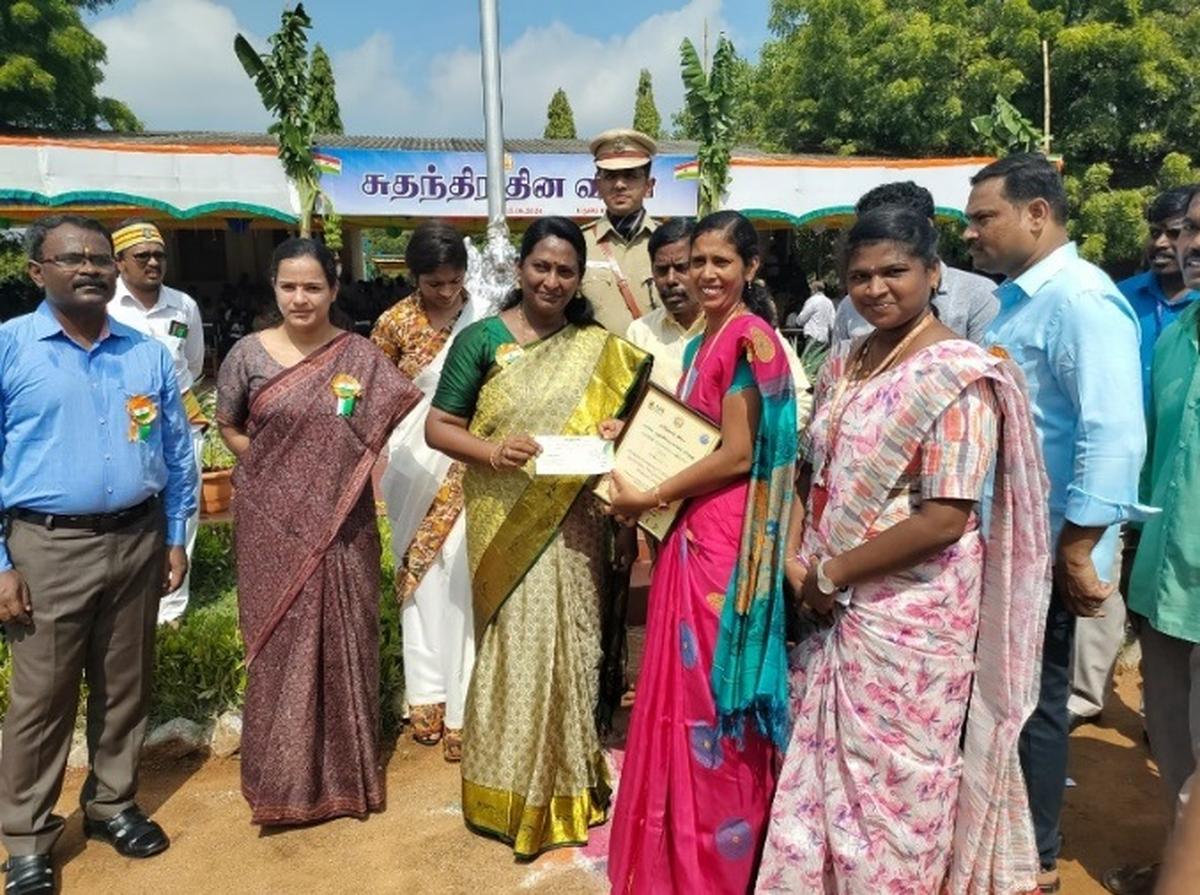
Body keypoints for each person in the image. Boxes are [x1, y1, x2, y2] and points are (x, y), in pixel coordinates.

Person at [757, 205, 1051, 893]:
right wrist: (796, 560)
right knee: (825, 775)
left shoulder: (959, 375)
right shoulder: (849, 358)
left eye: (895, 271)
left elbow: (945, 517)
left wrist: (829, 571)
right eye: (860, 276)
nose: (876, 287)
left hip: (911, 616)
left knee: (898, 791)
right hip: (833, 605)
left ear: (934, 271)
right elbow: (813, 466)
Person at [424, 216, 648, 858]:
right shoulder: (482, 340)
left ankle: (572, 786)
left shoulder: (599, 347)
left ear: (580, 278)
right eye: (541, 267)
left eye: (565, 270)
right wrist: (493, 450)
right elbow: (441, 427)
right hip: (507, 523)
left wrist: (611, 432)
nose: (552, 280)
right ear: (521, 268)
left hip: (575, 521)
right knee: (516, 650)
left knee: (573, 647)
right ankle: (509, 788)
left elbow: (630, 430)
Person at [964, 152, 1152, 893]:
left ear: (1037, 214)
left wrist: (1078, 547)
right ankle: (1005, 833)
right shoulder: (1021, 300)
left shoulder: (1080, 300)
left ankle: (1035, 857)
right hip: (1008, 539)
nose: (973, 233)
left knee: (1037, 699)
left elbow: (1113, 434)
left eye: (986, 217)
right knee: (1007, 692)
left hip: (1045, 545)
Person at [0, 215, 197, 895]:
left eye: (99, 258)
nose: (89, 267)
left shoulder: (143, 354)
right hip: (46, 544)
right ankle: (26, 835)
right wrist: (0, 564)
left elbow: (176, 451)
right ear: (38, 272)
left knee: (126, 685)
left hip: (138, 538)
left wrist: (175, 533)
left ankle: (111, 802)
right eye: (70, 258)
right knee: (41, 698)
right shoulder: (10, 348)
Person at [606, 210, 798, 894]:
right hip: (689, 531)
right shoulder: (697, 345)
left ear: (751, 267)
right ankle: (674, 852)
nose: (705, 274)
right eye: (695, 263)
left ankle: (721, 857)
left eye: (721, 261)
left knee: (717, 699)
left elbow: (739, 454)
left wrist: (647, 492)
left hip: (726, 541)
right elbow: (690, 433)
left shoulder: (751, 339)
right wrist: (627, 434)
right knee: (682, 697)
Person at [216, 238, 420, 826]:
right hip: (269, 522)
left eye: (312, 287)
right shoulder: (247, 356)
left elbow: (392, 422)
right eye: (288, 286)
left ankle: (344, 781)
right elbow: (229, 425)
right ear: (273, 288)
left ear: (333, 289)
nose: (300, 298)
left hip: (343, 523)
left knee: (346, 636)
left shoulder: (359, 356)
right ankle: (280, 781)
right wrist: (275, 473)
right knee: (279, 642)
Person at [1070, 187, 1199, 731]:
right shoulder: (1123, 302)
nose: (1174, 244)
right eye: (1173, 231)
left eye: (1182, 229)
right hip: (1133, 490)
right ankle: (1089, 693)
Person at [1101, 184, 1200, 895]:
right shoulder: (1171, 341)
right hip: (1166, 584)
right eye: (1188, 230)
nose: (1191, 245)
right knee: (1172, 745)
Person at [373, 222, 483, 763]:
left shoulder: (485, 315)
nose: (447, 292)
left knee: (461, 577)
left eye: (455, 280)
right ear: (414, 277)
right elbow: (374, 396)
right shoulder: (393, 324)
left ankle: (465, 707)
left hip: (470, 459)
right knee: (419, 583)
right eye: (434, 283)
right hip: (412, 464)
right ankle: (427, 699)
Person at [107, 220, 206, 625]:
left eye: (159, 255)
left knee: (185, 509)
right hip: (120, 422)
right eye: (141, 256)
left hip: (181, 416)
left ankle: (171, 607)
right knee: (127, 507)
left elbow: (195, 363)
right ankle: (127, 602)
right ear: (118, 263)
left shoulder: (183, 305)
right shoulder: (105, 305)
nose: (152, 262)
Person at [831, 180, 998, 347]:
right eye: (860, 276)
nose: (875, 291)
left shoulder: (978, 295)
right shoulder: (850, 307)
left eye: (894, 271)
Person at [581, 128, 660, 336]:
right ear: (597, 185)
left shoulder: (670, 244)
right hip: (599, 366)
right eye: (610, 176)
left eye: (631, 176)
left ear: (649, 185)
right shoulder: (580, 244)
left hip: (659, 366)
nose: (619, 185)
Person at [625, 216, 705, 391]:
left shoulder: (735, 327)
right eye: (661, 270)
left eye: (681, 268)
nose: (670, 280)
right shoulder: (639, 333)